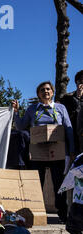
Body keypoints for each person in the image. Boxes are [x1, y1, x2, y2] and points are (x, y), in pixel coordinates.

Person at [12, 81, 75, 223]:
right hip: (37, 153)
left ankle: (63, 216)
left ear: (52, 92)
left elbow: (69, 129)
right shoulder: (32, 109)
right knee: (36, 185)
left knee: (59, 185)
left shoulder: (60, 108)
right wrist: (16, 112)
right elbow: (21, 126)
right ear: (38, 94)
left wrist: (71, 151)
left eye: (48, 89)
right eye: (42, 90)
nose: (45, 91)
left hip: (57, 153)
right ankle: (35, 215)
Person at [60, 70, 83, 154]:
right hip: (72, 134)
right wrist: (78, 96)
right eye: (81, 81)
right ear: (77, 82)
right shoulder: (67, 98)